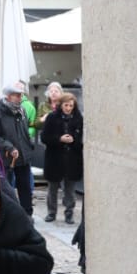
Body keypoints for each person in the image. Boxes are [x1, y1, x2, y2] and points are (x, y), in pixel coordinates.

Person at [0, 83, 36, 215]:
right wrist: (9, 147)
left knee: (25, 187)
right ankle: (7, 215)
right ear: (9, 97)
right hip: (7, 158)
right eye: (17, 95)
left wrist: (29, 145)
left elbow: (24, 131)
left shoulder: (22, 110)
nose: (20, 98)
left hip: (23, 156)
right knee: (7, 189)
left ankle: (27, 215)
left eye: (21, 95)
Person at [41, 92, 83, 222]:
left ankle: (69, 213)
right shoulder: (52, 117)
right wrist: (59, 139)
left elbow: (81, 139)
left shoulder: (78, 118)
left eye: (71, 106)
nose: (68, 108)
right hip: (55, 158)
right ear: (61, 105)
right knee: (52, 188)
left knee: (70, 189)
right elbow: (44, 137)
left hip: (72, 159)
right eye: (66, 105)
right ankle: (51, 212)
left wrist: (73, 140)